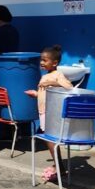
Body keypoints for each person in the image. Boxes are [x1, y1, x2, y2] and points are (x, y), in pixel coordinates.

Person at [25, 45, 75, 182]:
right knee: (49, 139)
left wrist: (54, 82)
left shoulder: (57, 75)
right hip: (43, 112)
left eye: (45, 60)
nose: (42, 62)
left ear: (55, 63)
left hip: (51, 112)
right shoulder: (45, 76)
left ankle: (59, 166)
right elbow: (45, 94)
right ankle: (58, 164)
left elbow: (70, 88)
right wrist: (35, 94)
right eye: (41, 60)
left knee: (50, 139)